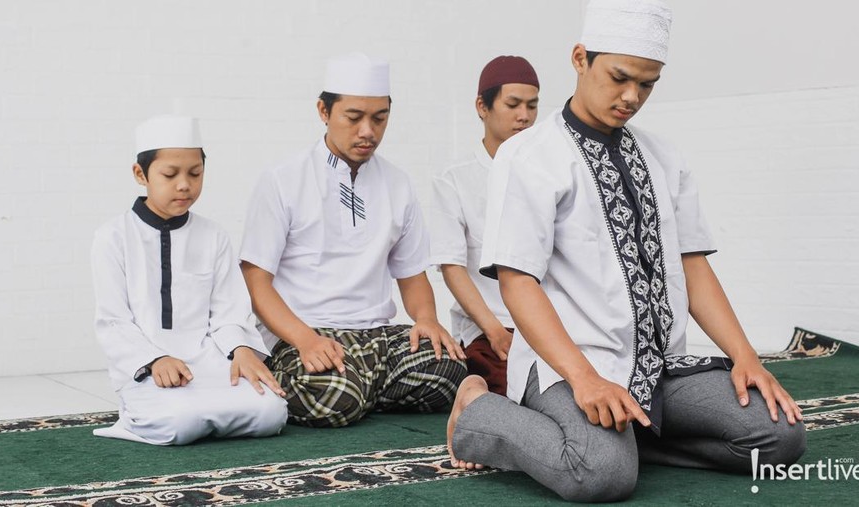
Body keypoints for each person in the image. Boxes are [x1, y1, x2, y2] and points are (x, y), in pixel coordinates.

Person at [446, 0, 806, 501]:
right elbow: (517, 281)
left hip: (658, 369)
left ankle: (628, 440)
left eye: (648, 83)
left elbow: (692, 266)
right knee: (601, 476)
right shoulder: (530, 155)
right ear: (579, 59)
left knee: (778, 437)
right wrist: (584, 379)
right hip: (569, 367)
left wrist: (744, 356)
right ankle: (479, 412)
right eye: (619, 77)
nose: (632, 96)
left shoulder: (664, 156)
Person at [240, 53, 467, 428]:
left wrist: (427, 319)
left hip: (376, 338)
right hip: (305, 335)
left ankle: (359, 390)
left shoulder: (398, 183)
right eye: (354, 117)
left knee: (451, 367)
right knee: (334, 394)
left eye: (380, 118)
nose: (368, 131)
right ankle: (353, 389)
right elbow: (255, 282)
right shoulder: (283, 180)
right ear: (323, 111)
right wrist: (305, 340)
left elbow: (412, 276)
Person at [91, 115, 288, 445]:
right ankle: (148, 414)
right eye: (170, 174)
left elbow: (229, 310)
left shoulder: (213, 235)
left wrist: (240, 349)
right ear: (141, 174)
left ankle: (204, 413)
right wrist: (155, 359)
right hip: (150, 370)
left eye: (195, 174)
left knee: (273, 412)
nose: (185, 184)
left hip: (213, 363)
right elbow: (113, 321)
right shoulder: (112, 237)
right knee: (179, 421)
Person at [430, 56, 540, 396]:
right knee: (519, 392)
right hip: (487, 330)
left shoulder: (548, 175)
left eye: (532, 105)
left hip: (543, 325)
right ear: (482, 106)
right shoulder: (455, 179)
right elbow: (452, 267)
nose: (524, 116)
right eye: (513, 104)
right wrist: (494, 330)